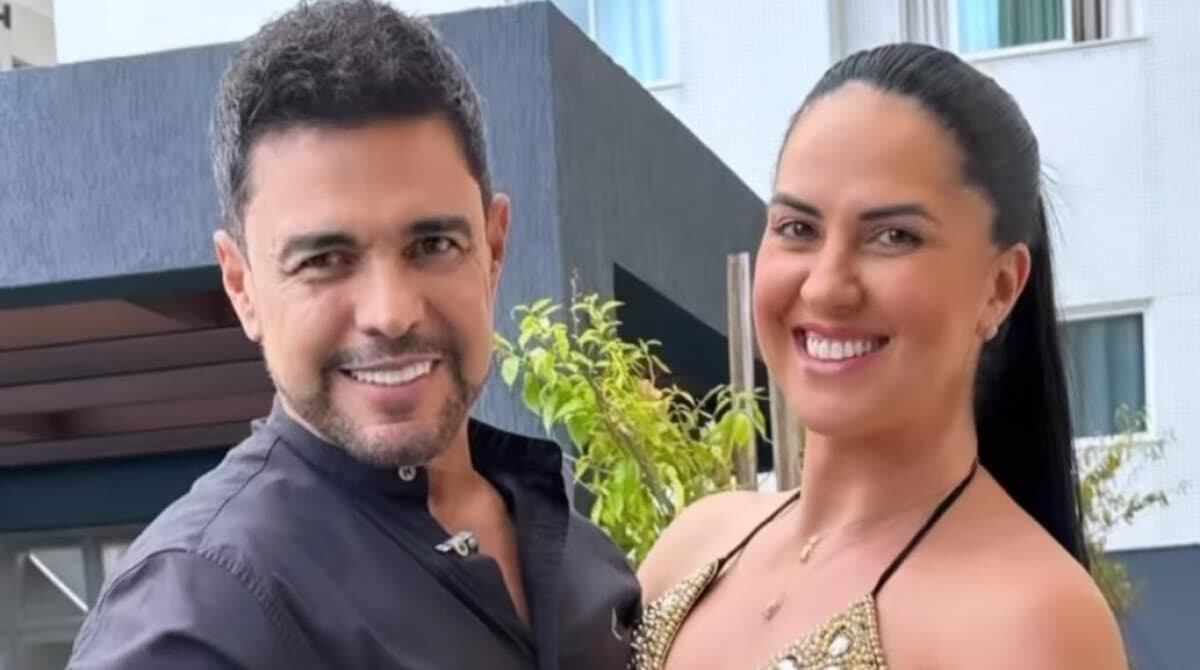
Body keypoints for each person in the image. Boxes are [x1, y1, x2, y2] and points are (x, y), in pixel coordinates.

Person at [68, 2, 639, 668]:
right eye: (324, 260)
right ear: (241, 285)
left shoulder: (586, 567)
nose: (390, 313)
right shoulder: (202, 614)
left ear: (493, 248)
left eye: (433, 244)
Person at [633, 43, 1126, 670]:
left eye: (894, 237)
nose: (825, 288)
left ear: (999, 287)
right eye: (798, 229)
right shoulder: (695, 546)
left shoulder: (1035, 621)